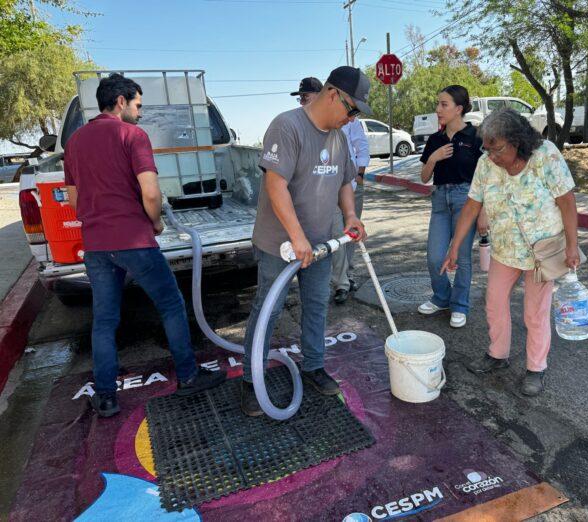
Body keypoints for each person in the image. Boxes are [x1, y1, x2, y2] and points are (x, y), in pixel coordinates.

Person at [64, 74, 225, 418]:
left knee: (105, 321)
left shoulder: (75, 142)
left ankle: (106, 397)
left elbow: (75, 201)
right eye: (137, 105)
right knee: (170, 304)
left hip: (96, 245)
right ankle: (188, 376)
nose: (140, 112)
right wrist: (155, 222)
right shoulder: (132, 135)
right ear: (120, 102)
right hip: (134, 240)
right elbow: (150, 192)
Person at [241, 66, 370, 416]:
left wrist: (350, 217)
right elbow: (275, 184)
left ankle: (313, 365)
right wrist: (297, 237)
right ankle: (252, 381)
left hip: (320, 242)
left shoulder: (339, 136)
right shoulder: (288, 126)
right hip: (279, 244)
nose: (352, 118)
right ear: (332, 95)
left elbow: (345, 181)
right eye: (352, 109)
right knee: (267, 311)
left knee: (317, 305)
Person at [440, 108, 581, 396]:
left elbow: (566, 200)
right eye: (487, 148)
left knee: (535, 313)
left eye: (498, 149)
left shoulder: (545, 156)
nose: (492, 156)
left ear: (517, 141)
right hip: (504, 249)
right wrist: (454, 245)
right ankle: (497, 355)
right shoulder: (486, 163)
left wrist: (572, 244)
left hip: (541, 252)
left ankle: (535, 368)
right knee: (493, 302)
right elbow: (472, 205)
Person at [290, 76, 369, 305]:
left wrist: (359, 178)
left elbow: (356, 155)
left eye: (306, 96)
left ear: (325, 94)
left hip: (344, 192)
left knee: (343, 238)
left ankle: (343, 281)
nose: (303, 101)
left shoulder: (344, 126)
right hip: (320, 199)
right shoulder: (293, 126)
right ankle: (337, 282)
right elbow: (279, 185)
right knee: (335, 238)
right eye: (301, 98)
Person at [418, 85, 486, 328]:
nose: (438, 110)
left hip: (466, 199)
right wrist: (434, 158)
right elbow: (424, 177)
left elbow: (485, 177)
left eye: (443, 105)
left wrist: (483, 212)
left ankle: (459, 305)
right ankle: (442, 297)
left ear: (459, 109)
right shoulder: (435, 139)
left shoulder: (476, 137)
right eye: (438, 104)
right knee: (435, 256)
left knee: (463, 258)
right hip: (439, 198)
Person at [332, 99, 369, 304]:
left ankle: (348, 275)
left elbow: (361, 145)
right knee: (337, 234)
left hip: (353, 186)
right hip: (331, 190)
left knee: (352, 233)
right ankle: (341, 283)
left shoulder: (352, 122)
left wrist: (360, 174)